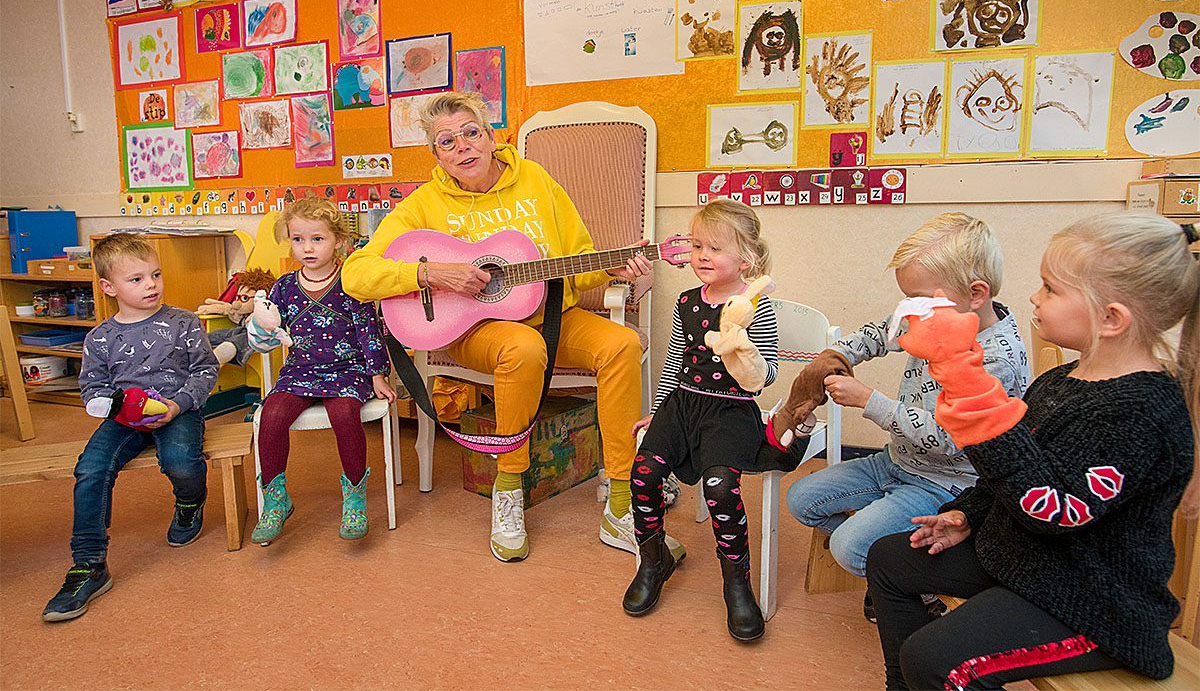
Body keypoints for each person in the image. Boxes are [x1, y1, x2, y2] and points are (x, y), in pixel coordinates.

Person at [867, 213, 1198, 690]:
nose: (1033, 298)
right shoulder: (1060, 381)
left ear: (1110, 318)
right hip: (1030, 559)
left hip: (1094, 603)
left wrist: (967, 384)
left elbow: (1054, 509)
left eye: (1050, 288)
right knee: (890, 559)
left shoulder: (1140, 411)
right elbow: (1014, 467)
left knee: (932, 658)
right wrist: (967, 516)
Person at [342, 91, 651, 561]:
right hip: (476, 330)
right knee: (523, 348)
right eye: (447, 141)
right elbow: (355, 275)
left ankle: (622, 503)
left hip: (554, 316)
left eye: (471, 132)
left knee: (622, 344)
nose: (463, 146)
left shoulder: (536, 180)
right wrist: (428, 274)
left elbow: (579, 261)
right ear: (436, 154)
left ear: (490, 136)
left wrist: (612, 268)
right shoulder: (424, 204)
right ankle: (508, 490)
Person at [784, 213, 1029, 622]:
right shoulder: (935, 315)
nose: (910, 310)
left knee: (849, 548)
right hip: (896, 462)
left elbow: (951, 438)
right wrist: (840, 355)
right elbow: (882, 332)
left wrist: (869, 400)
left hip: (945, 484)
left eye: (919, 298)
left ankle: (908, 578)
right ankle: (891, 555)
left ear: (976, 293)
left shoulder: (997, 358)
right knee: (802, 500)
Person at [623, 198, 795, 641]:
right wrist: (658, 411)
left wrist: (745, 353)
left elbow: (765, 377)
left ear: (746, 259)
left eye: (715, 248)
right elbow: (675, 362)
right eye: (698, 245)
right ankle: (653, 559)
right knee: (642, 473)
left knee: (720, 486)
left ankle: (737, 584)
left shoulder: (757, 306)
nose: (702, 256)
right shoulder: (686, 302)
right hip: (684, 405)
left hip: (730, 410)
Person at [42, 233, 218, 622]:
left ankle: (190, 501)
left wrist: (179, 404)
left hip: (178, 410)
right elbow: (92, 387)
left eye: (155, 274)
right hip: (124, 420)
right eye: (136, 279)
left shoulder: (183, 322)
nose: (151, 285)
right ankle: (89, 564)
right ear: (109, 287)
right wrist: (114, 406)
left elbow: (206, 370)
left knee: (180, 462)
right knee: (90, 468)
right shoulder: (99, 337)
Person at [251, 197, 396, 545]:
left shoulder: (351, 281)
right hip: (300, 371)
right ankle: (276, 499)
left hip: (348, 372)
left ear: (339, 242)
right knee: (271, 415)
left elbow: (368, 329)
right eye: (298, 239)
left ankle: (354, 498)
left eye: (317, 239)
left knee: (345, 414)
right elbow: (269, 333)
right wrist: (260, 327)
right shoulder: (284, 287)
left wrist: (377, 374)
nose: (307, 248)